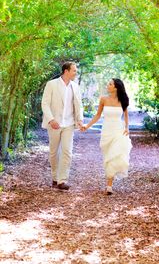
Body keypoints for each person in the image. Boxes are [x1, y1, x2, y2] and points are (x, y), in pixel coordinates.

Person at [82, 78, 132, 195]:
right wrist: (87, 126)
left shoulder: (123, 100)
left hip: (118, 131)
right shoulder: (103, 99)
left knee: (113, 155)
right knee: (107, 155)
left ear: (115, 87)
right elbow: (97, 115)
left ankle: (109, 185)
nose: (107, 85)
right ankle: (109, 181)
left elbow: (126, 116)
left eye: (110, 84)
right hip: (106, 131)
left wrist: (127, 128)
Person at [41, 61, 83, 190]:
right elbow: (45, 103)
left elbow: (79, 105)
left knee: (67, 152)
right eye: (74, 70)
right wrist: (51, 119)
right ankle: (54, 178)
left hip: (69, 124)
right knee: (54, 153)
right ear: (66, 71)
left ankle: (62, 180)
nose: (76, 73)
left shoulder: (75, 87)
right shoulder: (51, 84)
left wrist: (79, 120)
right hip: (54, 124)